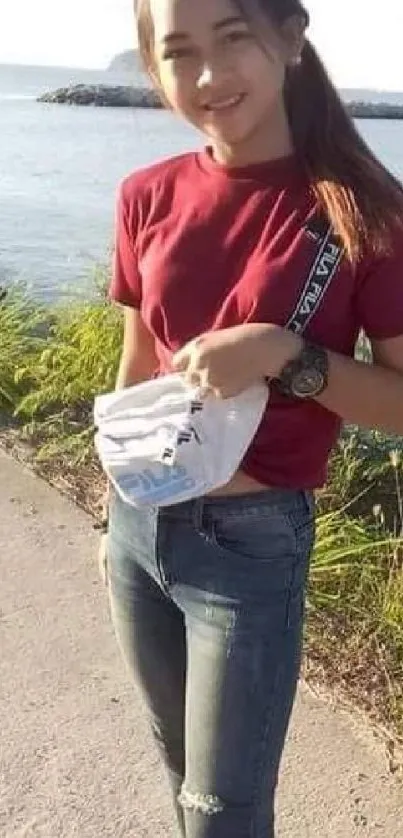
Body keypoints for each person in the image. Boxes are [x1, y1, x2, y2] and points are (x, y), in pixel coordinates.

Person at [100, 1, 403, 835]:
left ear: (290, 37)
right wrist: (112, 506)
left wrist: (283, 353)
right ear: (154, 67)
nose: (206, 76)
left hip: (251, 543)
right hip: (137, 525)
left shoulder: (364, 212)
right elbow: (136, 365)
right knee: (176, 764)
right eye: (179, 52)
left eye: (232, 39)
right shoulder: (144, 195)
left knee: (221, 808)